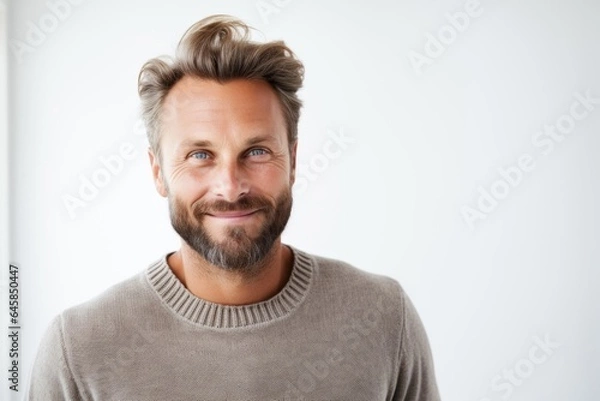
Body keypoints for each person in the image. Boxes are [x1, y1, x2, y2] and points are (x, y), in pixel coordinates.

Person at [26, 15, 441, 400]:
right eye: (199, 155)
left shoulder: (384, 318)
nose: (230, 187)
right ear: (158, 172)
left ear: (293, 162)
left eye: (257, 151)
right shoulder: (78, 349)